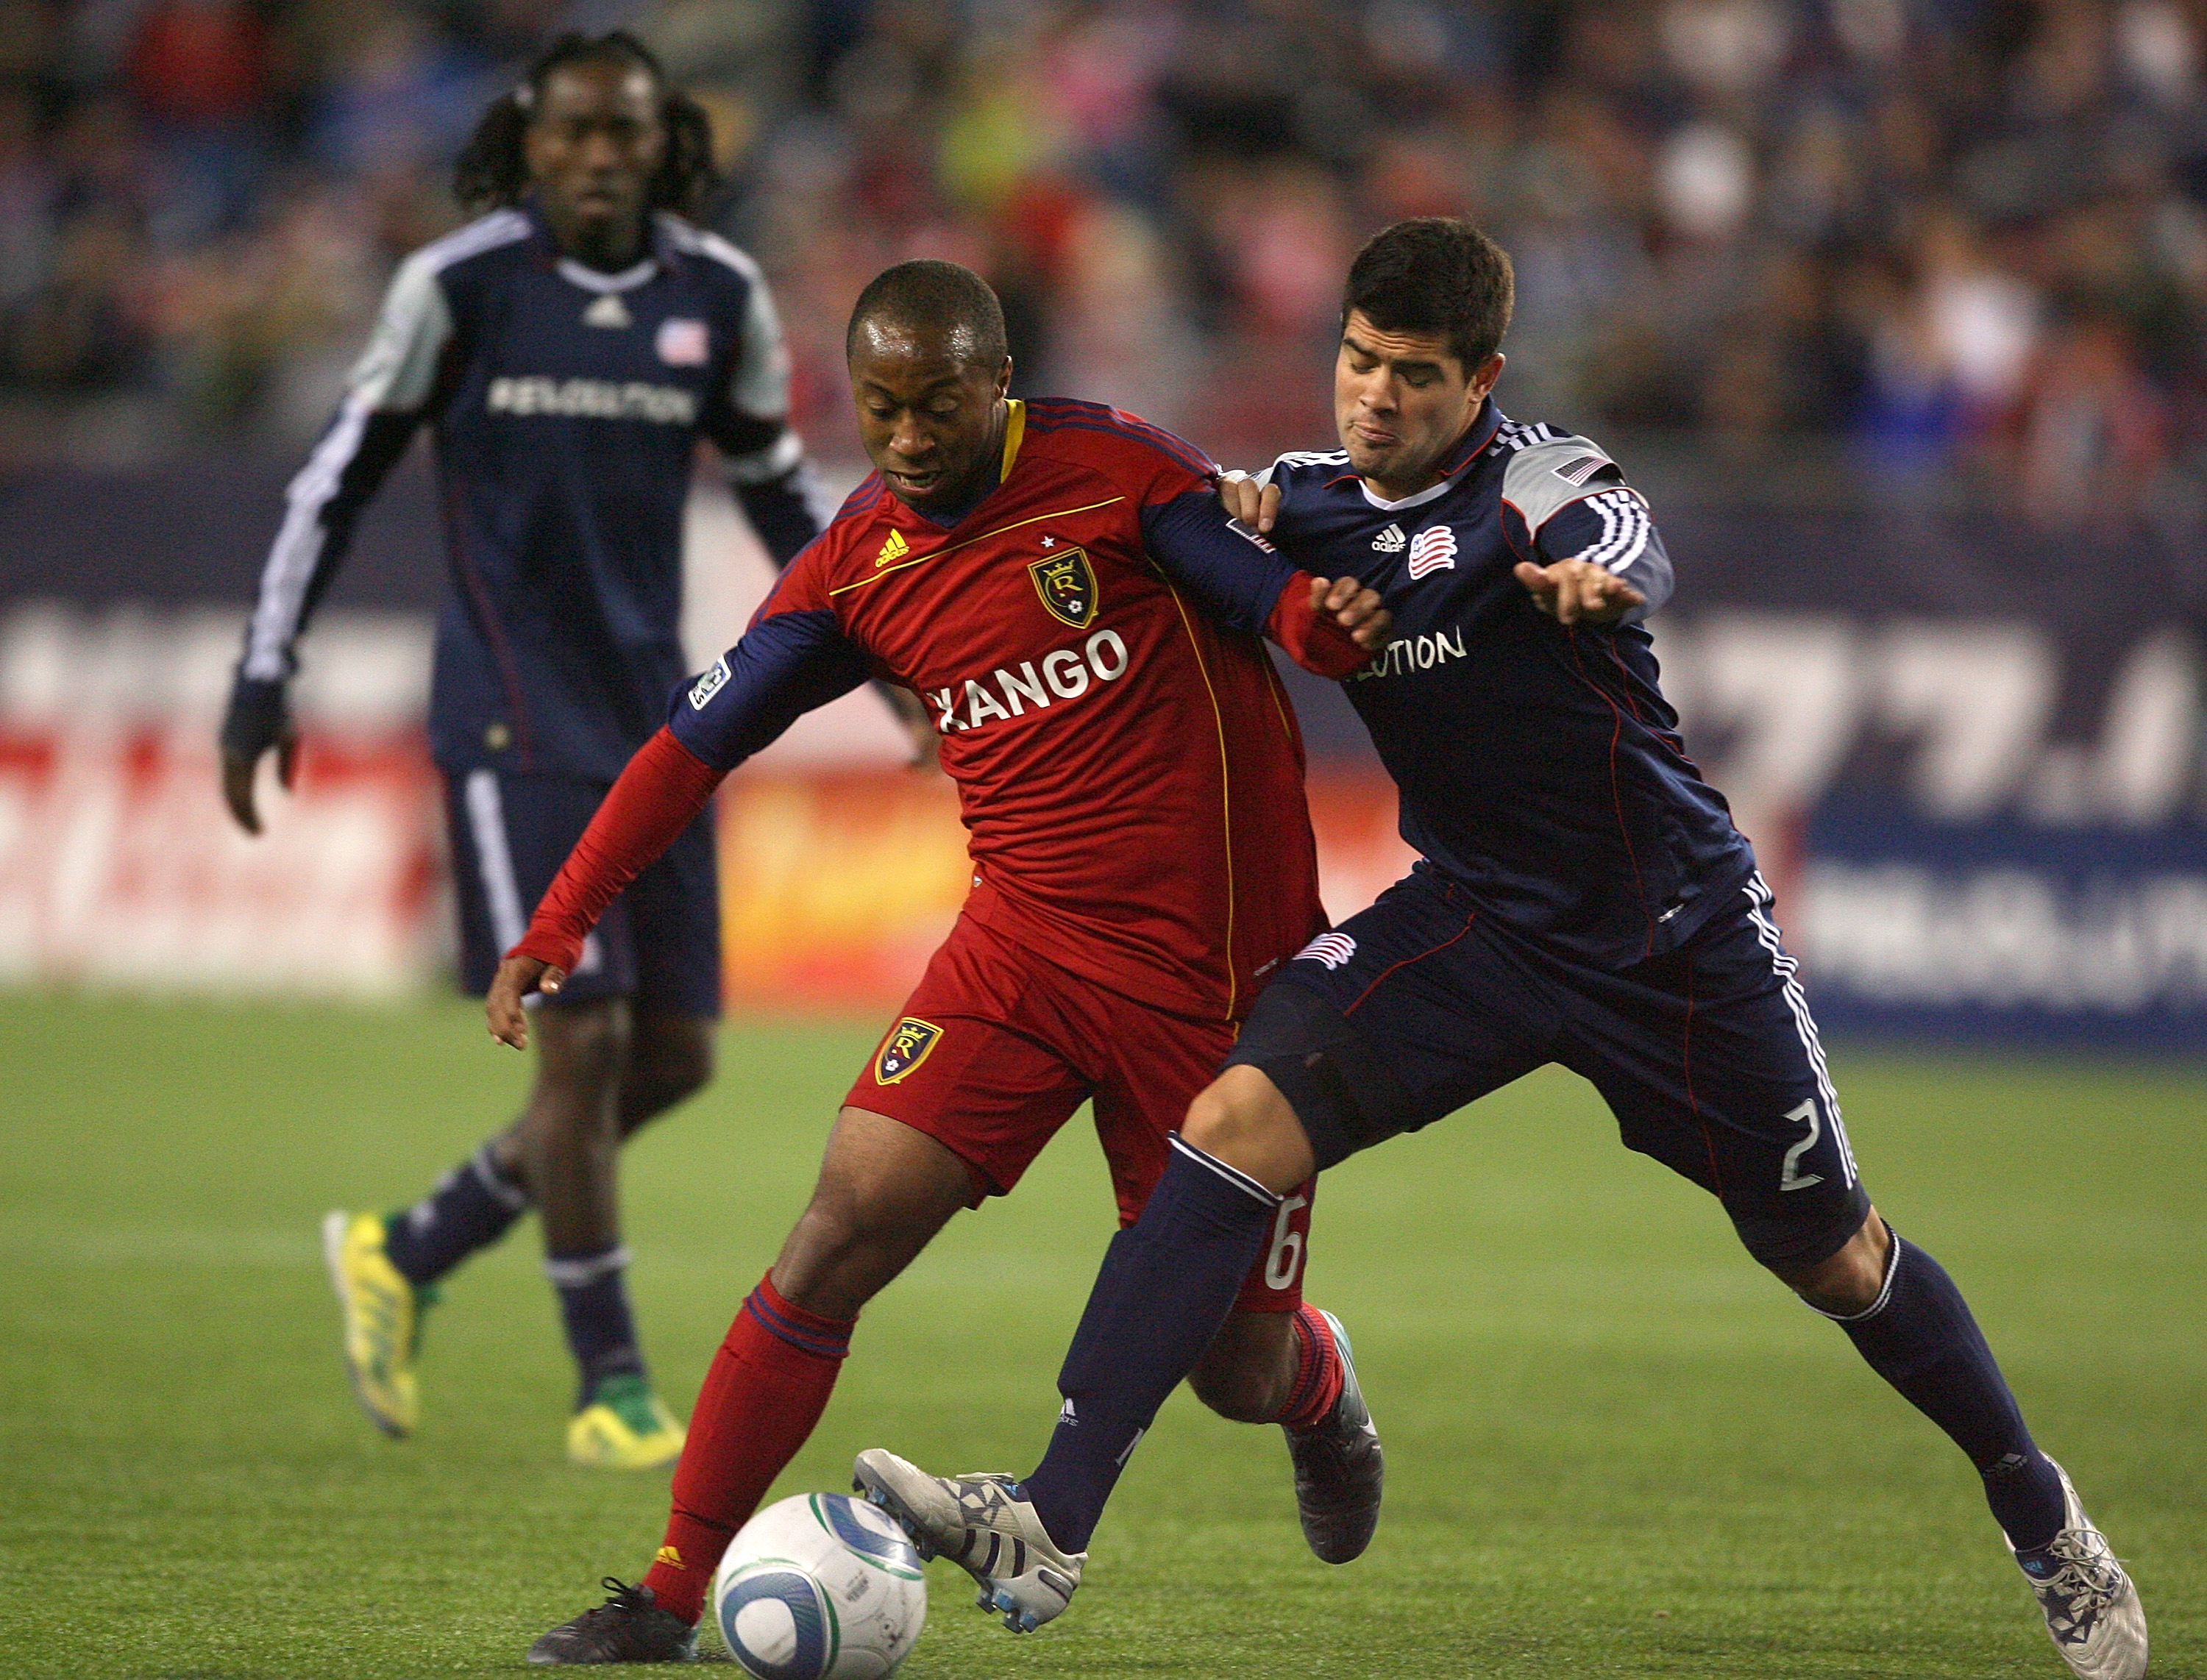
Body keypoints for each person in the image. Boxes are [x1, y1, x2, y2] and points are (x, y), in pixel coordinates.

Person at [856, 219, 2150, 1680]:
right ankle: (1052, 1510)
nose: (1376, 397)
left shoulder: (1540, 482)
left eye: (1414, 374)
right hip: (1473, 918)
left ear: (1482, 380)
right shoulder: (1300, 502)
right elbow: (1155, 523)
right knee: (1228, 1123)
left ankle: (2042, 1515)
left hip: (1671, 934)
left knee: (1839, 1255)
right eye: (1357, 362)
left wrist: (1602, 580)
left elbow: (1622, 533)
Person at [498, 258, 1393, 1663]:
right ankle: (669, 1599)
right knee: (835, 1232)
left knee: (1236, 1368)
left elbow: (1261, 591)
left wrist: (1309, 625)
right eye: (880, 406)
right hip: (1022, 952)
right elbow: (692, 744)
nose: (909, 436)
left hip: (1223, 991)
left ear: (998, 383)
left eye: (938, 405)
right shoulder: (858, 564)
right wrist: (562, 917)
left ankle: (1318, 1378)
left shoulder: (1113, 471)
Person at [220, 32, 923, 1469]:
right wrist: (260, 666)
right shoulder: (459, 287)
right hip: (506, 715)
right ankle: (610, 1381)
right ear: (528, 145)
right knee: (585, 1038)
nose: (603, 156)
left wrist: (897, 659)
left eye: (629, 134)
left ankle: (411, 1247)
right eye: (576, 133)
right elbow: (333, 480)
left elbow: (784, 496)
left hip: (656, 714)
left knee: (674, 1057)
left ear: (668, 146)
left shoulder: (713, 294)